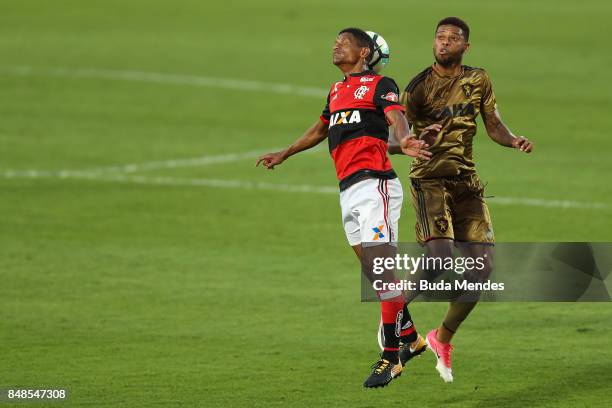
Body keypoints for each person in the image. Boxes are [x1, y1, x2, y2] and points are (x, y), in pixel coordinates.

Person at [257, 27, 440, 388]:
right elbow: (323, 127)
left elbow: (395, 117)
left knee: (383, 274)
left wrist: (405, 137)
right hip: (349, 192)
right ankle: (414, 339)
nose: (336, 45)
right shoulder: (337, 90)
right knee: (376, 276)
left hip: (376, 187)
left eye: (345, 42)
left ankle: (391, 359)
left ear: (363, 52)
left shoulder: (380, 84)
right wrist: (286, 152)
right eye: (336, 40)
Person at [390, 17, 533, 383]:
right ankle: (394, 310)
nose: (445, 43)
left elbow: (494, 124)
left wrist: (514, 139)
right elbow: (393, 142)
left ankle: (441, 338)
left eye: (453, 38)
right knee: (439, 256)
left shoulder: (478, 80)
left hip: (466, 181)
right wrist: (416, 143)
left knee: (482, 272)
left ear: (465, 46)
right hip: (430, 180)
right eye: (440, 37)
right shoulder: (418, 88)